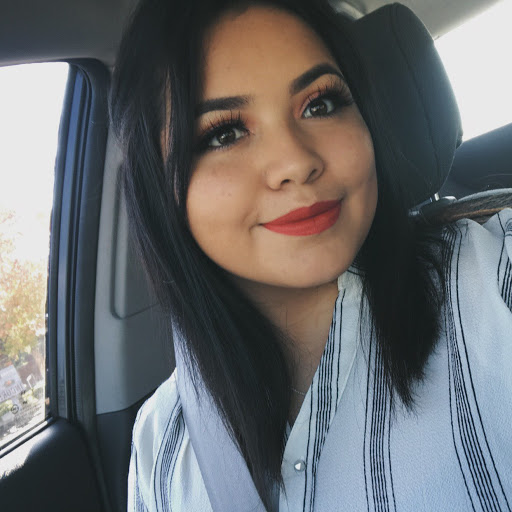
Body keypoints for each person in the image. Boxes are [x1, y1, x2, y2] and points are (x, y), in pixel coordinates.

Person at [109, 0, 512, 510]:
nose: (296, 163)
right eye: (224, 133)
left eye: (320, 104)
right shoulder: (160, 446)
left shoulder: (495, 280)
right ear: (157, 189)